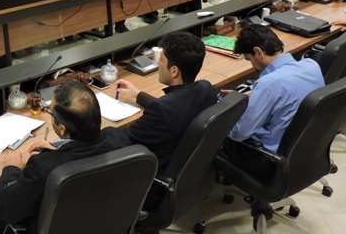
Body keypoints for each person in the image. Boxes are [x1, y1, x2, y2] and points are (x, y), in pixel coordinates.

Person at [0, 81, 129, 234]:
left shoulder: (43, 167)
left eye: (51, 113)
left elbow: (4, 208)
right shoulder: (119, 139)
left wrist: (11, 169)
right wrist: (61, 149)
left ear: (62, 129)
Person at [108, 31, 216, 208]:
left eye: (162, 60)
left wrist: (89, 126)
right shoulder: (206, 88)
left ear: (174, 71)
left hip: (155, 186)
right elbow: (175, 108)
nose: (158, 63)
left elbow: (121, 140)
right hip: (191, 177)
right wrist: (138, 94)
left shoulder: (162, 112)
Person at [220, 24, 324, 178]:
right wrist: (255, 94)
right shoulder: (311, 65)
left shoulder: (268, 84)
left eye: (249, 59)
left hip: (270, 159)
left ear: (258, 52)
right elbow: (284, 89)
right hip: (308, 149)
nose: (252, 65)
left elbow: (239, 134)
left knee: (214, 136)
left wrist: (224, 114)